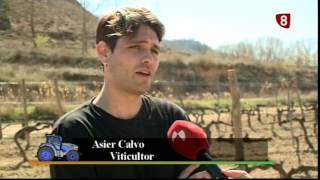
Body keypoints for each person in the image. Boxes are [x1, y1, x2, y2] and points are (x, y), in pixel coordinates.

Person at [50, 6, 251, 179]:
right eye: (136, 47)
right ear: (104, 52)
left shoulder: (173, 120)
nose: (149, 58)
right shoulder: (68, 133)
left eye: (155, 50)